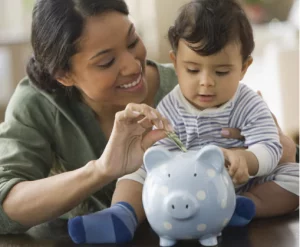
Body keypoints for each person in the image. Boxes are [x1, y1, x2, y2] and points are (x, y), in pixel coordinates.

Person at [0, 0, 297, 244]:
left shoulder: (198, 90)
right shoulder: (37, 103)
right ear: (63, 75)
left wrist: (264, 152)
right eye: (106, 62)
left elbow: (279, 151)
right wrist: (102, 170)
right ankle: (121, 216)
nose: (132, 65)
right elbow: (5, 204)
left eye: (132, 41)